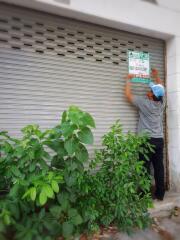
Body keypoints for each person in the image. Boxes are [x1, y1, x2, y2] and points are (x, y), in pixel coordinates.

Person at [125, 69, 165, 201]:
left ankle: (144, 195)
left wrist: (128, 79)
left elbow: (128, 96)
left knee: (144, 168)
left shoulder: (144, 103)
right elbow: (160, 89)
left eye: (151, 90)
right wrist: (156, 75)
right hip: (159, 140)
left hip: (146, 141)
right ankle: (160, 194)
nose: (149, 90)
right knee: (159, 168)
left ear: (152, 95)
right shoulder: (161, 103)